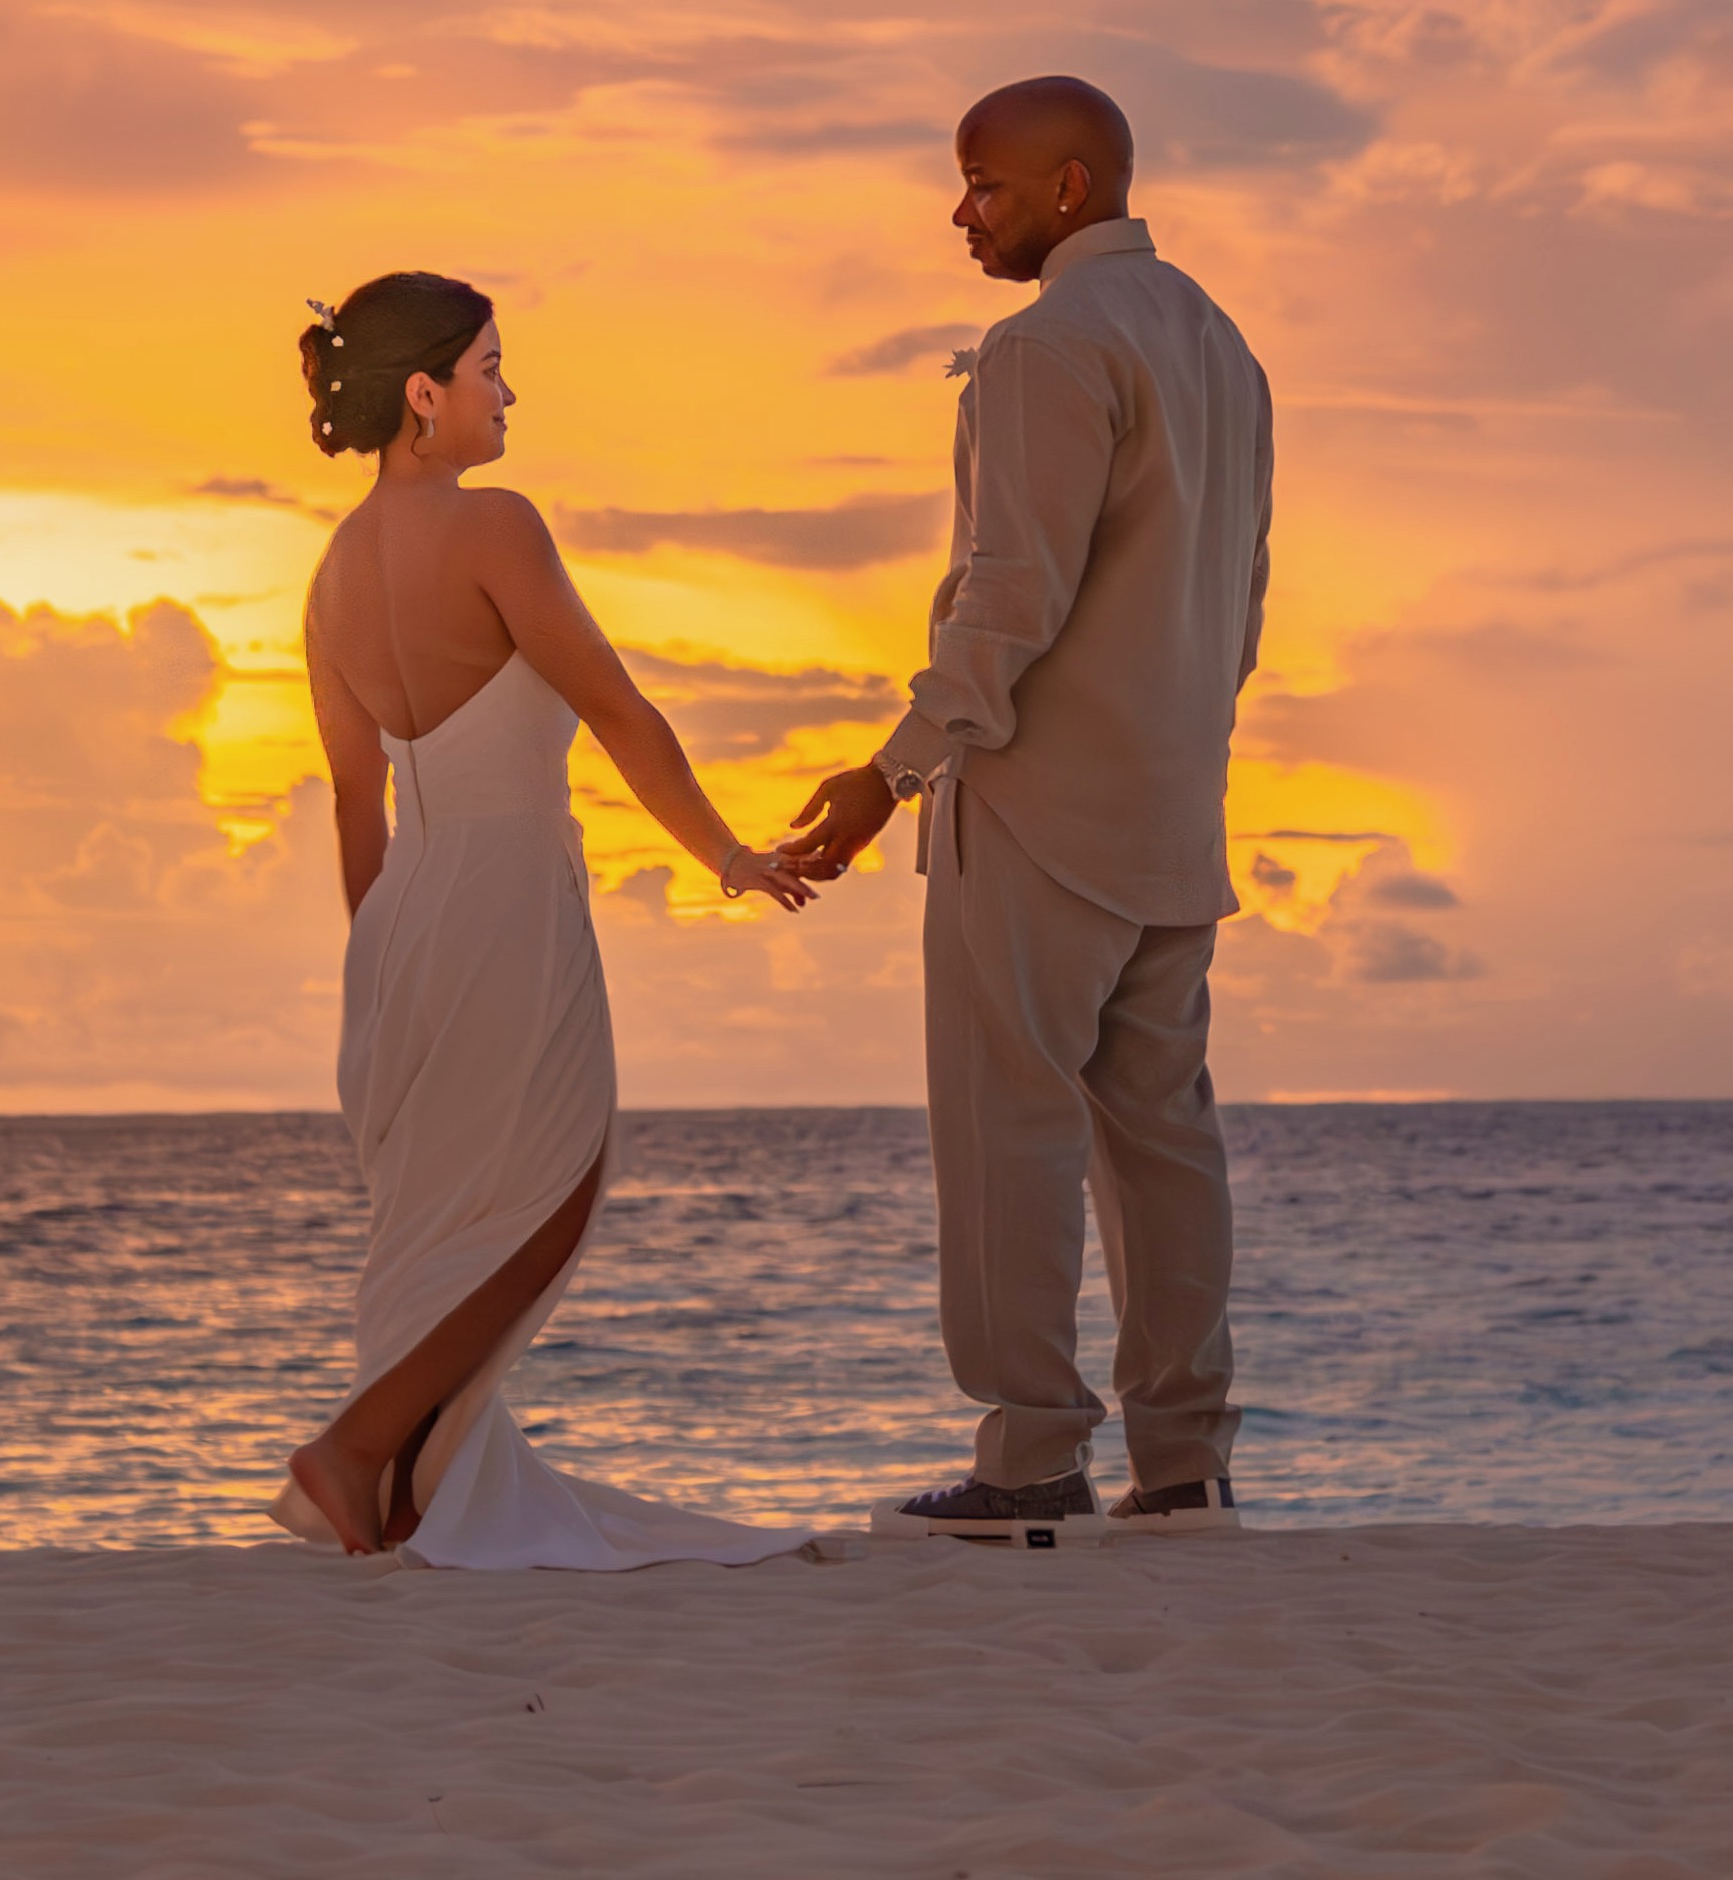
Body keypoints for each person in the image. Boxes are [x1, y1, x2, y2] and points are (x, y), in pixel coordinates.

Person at [784, 77, 1274, 1540]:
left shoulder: (1041, 347)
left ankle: (1028, 1461)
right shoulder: (1220, 347)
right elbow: (1240, 601)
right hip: (1176, 806)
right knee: (1162, 1139)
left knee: (1010, 1131)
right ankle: (1181, 1465)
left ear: (1070, 191)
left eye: (984, 187)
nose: (961, 212)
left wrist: (891, 771)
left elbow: (1009, 598)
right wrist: (1185, 741)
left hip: (1043, 809)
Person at [269, 271, 815, 1567]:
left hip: (404, 915)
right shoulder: (494, 528)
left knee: (458, 1211)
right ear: (423, 395)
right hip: (509, 895)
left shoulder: (331, 577)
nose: (509, 393)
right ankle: (357, 1446)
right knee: (551, 1198)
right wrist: (728, 856)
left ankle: (402, 1493)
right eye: (491, 369)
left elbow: (359, 812)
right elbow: (622, 714)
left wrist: (379, 966)